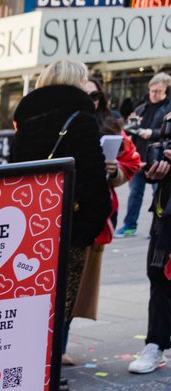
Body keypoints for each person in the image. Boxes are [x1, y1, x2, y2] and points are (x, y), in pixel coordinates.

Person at [12, 59, 112, 391]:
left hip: (28, 225)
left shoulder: (24, 118)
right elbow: (94, 184)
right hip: (68, 226)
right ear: (76, 81)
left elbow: (15, 174)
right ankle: (48, 378)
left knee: (29, 301)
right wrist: (87, 230)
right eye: (84, 80)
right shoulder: (82, 119)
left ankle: (21, 371)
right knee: (59, 304)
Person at [68, 77, 142, 366]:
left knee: (80, 283)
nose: (92, 100)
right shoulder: (65, 120)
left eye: (95, 95)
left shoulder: (111, 127)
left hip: (95, 215)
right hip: (61, 211)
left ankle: (61, 342)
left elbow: (132, 161)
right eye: (85, 95)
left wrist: (113, 172)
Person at [130, 109, 171, 374]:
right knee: (158, 274)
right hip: (166, 214)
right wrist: (153, 171)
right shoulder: (168, 116)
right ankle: (155, 344)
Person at [117, 72, 171, 237]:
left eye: (158, 91)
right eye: (152, 91)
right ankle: (129, 225)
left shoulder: (168, 108)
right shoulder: (141, 107)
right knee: (135, 193)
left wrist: (152, 132)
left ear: (166, 91)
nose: (154, 95)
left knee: (158, 194)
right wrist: (131, 125)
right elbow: (129, 129)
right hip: (140, 156)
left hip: (158, 158)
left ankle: (156, 228)